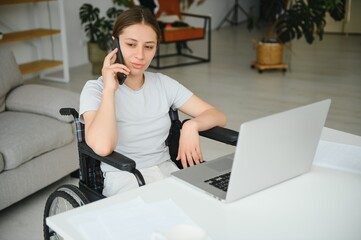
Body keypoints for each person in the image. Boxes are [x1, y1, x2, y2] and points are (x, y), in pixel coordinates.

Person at [79, 7, 226, 197]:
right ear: (115, 42)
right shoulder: (95, 90)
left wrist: (191, 125)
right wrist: (110, 90)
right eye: (131, 44)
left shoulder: (162, 84)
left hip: (167, 171)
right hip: (124, 177)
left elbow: (218, 116)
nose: (140, 55)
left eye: (148, 47)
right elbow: (103, 147)